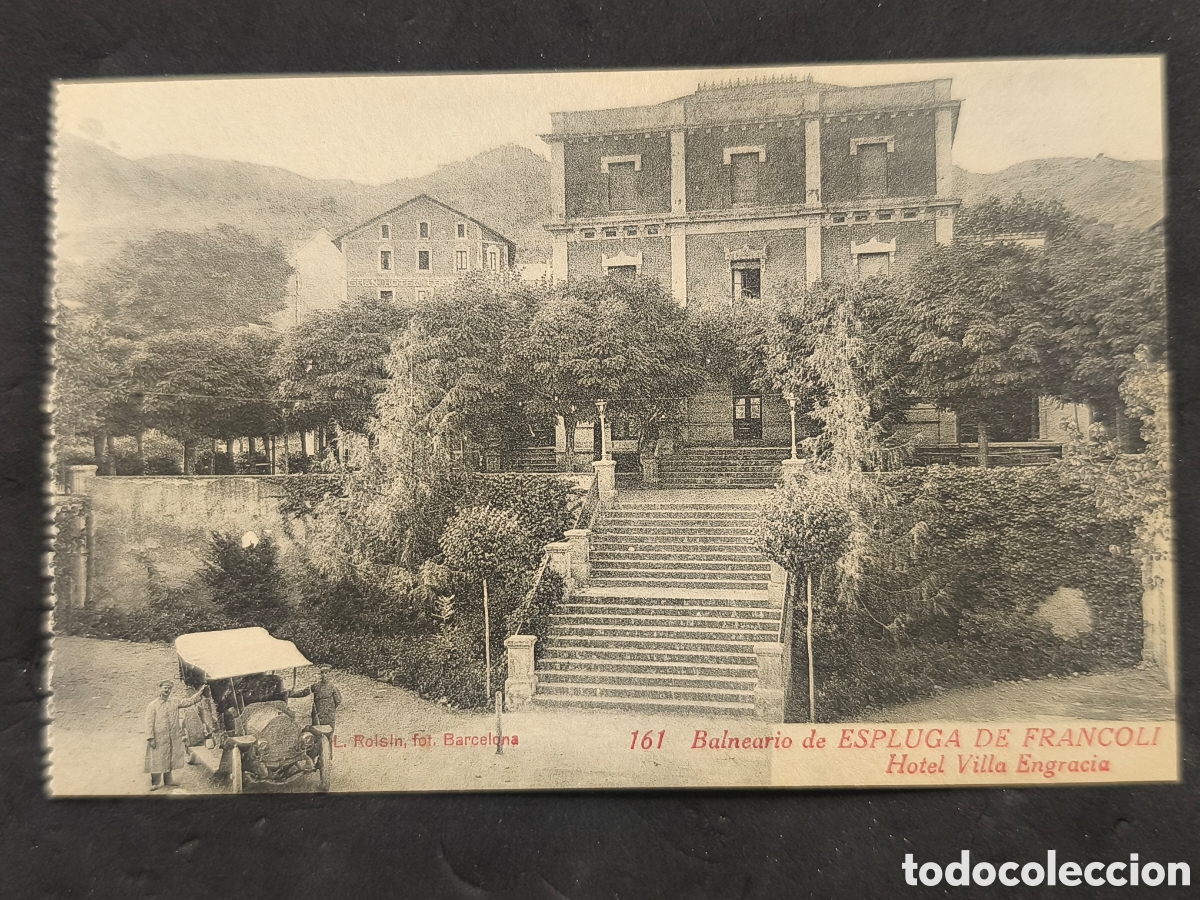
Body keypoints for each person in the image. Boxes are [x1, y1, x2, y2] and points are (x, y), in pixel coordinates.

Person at [145, 679, 208, 791]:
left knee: (169, 757)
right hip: (158, 737)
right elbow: (149, 722)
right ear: (160, 688)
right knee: (157, 759)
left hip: (171, 736)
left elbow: (189, 701)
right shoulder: (152, 705)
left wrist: (201, 692)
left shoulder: (174, 702)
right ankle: (155, 783)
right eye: (165, 688)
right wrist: (151, 738)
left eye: (169, 688)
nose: (167, 690)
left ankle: (168, 781)